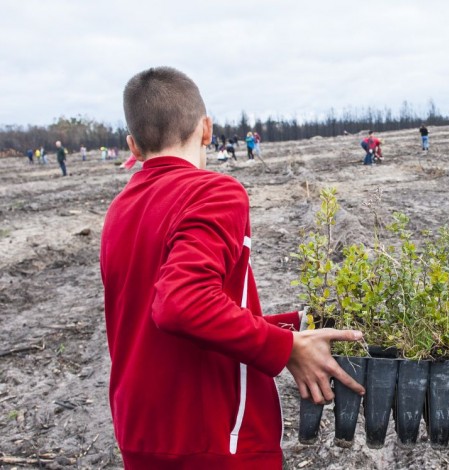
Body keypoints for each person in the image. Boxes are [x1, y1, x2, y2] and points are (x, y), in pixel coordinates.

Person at [100, 66, 365, 469]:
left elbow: (164, 320)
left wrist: (292, 326)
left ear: (132, 146)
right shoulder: (213, 192)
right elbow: (181, 304)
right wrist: (285, 349)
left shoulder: (120, 210)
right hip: (213, 435)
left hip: (141, 432)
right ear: (207, 129)